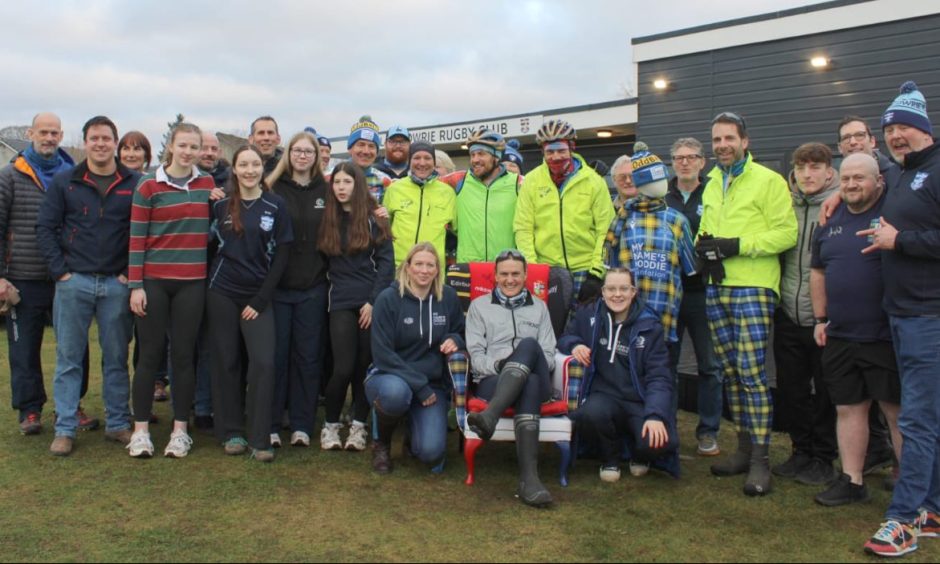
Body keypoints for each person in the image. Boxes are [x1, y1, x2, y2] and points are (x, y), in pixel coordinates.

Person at [697, 111, 797, 496]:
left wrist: (738, 246)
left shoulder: (768, 180)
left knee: (752, 375)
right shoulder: (710, 184)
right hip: (717, 285)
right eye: (717, 140)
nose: (722, 145)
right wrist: (704, 247)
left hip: (754, 287)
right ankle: (741, 448)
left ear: (745, 141)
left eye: (729, 139)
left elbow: (786, 233)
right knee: (730, 372)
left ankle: (760, 460)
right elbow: (709, 229)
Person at [861, 81, 940, 557]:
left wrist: (900, 242)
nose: (897, 136)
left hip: (929, 316)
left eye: (906, 128)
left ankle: (904, 518)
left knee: (918, 419)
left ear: (926, 130)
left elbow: (910, 237)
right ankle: (930, 507)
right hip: (903, 313)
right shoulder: (903, 173)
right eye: (890, 129)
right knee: (928, 416)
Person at [36, 116, 139, 455]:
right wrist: (60, 273)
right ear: (84, 141)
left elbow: (141, 233)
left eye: (106, 138)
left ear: (115, 143)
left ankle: (118, 423)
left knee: (115, 357)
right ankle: (64, 428)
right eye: (94, 138)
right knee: (68, 359)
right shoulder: (66, 181)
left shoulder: (133, 183)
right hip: (74, 282)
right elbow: (46, 229)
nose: (100, 144)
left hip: (116, 284)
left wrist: (127, 272)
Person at [810, 153, 902, 507]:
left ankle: (912, 483)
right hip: (840, 334)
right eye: (845, 178)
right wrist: (820, 319)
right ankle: (852, 480)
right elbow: (817, 271)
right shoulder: (830, 219)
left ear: (879, 179)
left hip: (884, 334)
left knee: (895, 412)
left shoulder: (895, 213)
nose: (850, 184)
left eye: (859, 178)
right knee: (849, 408)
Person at [0, 112, 99, 435]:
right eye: (43, 132)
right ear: (30, 133)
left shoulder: (74, 175)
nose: (50, 138)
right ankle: (29, 410)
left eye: (55, 132)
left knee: (75, 347)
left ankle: (71, 406)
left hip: (67, 276)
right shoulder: (10, 176)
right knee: (25, 347)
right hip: (23, 275)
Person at [127, 122, 215, 458]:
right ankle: (141, 431)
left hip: (192, 283)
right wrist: (136, 285)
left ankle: (180, 430)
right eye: (183, 146)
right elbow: (136, 238)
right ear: (172, 147)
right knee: (149, 356)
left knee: (182, 357)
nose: (189, 152)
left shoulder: (207, 184)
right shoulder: (149, 186)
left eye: (195, 147)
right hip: (154, 282)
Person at [208, 145, 293, 463]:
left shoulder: (275, 204)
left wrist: (260, 299)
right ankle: (232, 432)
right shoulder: (219, 206)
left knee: (263, 362)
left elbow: (283, 255)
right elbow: (208, 247)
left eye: (255, 164)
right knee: (226, 361)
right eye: (243, 164)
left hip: (258, 297)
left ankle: (260, 437)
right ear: (234, 169)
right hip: (222, 293)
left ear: (262, 167)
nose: (249, 170)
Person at [557, 267, 678, 482]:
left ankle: (639, 454)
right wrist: (575, 345)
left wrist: (655, 415)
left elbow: (659, 376)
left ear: (634, 292)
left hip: (638, 400)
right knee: (589, 414)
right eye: (611, 289)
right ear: (603, 292)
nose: (617, 294)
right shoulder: (589, 315)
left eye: (624, 288)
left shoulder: (649, 325)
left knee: (659, 440)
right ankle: (610, 458)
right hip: (604, 395)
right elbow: (565, 337)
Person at [465, 249, 557, 507]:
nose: (510, 279)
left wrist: (521, 361)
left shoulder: (540, 308)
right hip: (493, 380)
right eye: (504, 274)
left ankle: (490, 416)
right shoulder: (478, 307)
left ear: (525, 275)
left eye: (516, 273)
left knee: (528, 347)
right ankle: (530, 481)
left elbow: (548, 355)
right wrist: (501, 364)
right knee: (527, 382)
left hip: (538, 379)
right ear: (494, 276)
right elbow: (476, 355)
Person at [772, 142, 839, 487]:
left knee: (827, 390)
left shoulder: (840, 205)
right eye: (802, 168)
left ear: (830, 171)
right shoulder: (786, 205)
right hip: (788, 311)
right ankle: (800, 449)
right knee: (792, 388)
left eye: (815, 167)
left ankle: (824, 456)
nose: (808, 174)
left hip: (825, 317)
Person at [366, 242, 464, 474]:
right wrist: (419, 386)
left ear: (438, 270)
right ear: (407, 267)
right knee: (395, 394)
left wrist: (454, 340)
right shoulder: (388, 299)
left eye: (430, 265)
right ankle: (382, 443)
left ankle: (413, 432)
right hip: (389, 377)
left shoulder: (447, 297)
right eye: (418, 264)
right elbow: (382, 354)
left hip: (431, 384)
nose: (424, 270)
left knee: (431, 453)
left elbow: (461, 330)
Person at [318, 161, 394, 451]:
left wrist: (374, 301)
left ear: (357, 185)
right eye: (336, 182)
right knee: (343, 367)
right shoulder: (326, 218)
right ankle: (331, 425)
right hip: (339, 301)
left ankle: (359, 426)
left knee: (364, 366)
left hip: (369, 302)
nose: (340, 187)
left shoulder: (375, 218)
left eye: (346, 182)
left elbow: (386, 263)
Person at [265, 131, 330, 448]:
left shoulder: (326, 190)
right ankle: (274, 423)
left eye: (309, 151)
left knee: (307, 357)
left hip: (313, 287)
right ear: (288, 153)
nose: (303, 156)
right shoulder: (272, 188)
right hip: (278, 288)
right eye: (297, 150)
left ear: (317, 156)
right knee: (277, 357)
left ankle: (303, 424)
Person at [664, 137, 723, 457]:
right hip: (670, 292)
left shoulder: (714, 191)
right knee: (666, 363)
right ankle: (667, 426)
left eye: (691, 157)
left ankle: (708, 431)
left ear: (703, 161)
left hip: (703, 290)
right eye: (678, 157)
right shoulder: (664, 196)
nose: (684, 162)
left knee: (710, 365)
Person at [514, 119, 614, 304]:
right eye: (550, 152)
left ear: (571, 148)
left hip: (585, 269)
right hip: (548, 270)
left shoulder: (593, 181)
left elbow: (606, 230)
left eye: (561, 150)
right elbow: (523, 228)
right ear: (542, 152)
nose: (556, 157)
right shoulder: (531, 181)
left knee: (584, 328)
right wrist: (534, 268)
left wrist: (596, 273)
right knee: (548, 328)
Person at [604, 147, 696, 350]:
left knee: (663, 372)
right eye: (652, 180)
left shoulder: (677, 221)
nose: (660, 185)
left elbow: (692, 267)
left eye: (661, 179)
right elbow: (609, 263)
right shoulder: (621, 219)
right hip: (627, 314)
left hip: (665, 313)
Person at [440, 129, 521, 263]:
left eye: (481, 154)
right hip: (468, 268)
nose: (475, 160)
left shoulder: (518, 182)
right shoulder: (459, 179)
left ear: (496, 157)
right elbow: (425, 184)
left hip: (505, 268)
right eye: (472, 154)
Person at [383, 142, 455, 269]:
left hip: (432, 270)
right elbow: (384, 230)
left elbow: (457, 231)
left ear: (433, 162)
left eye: (427, 158)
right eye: (416, 158)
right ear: (409, 161)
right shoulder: (394, 189)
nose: (422, 163)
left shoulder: (448, 192)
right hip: (399, 269)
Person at [345, 116, 391, 202]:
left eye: (371, 146)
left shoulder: (385, 181)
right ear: (350, 149)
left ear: (377, 152)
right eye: (361, 144)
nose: (366, 151)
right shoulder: (331, 177)